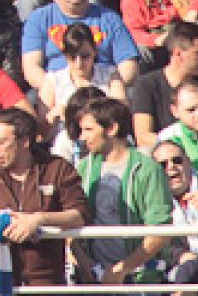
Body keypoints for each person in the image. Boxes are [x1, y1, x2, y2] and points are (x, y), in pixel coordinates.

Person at [0, 107, 91, 287]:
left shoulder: (57, 168)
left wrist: (38, 220)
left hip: (46, 279)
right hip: (0, 277)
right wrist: (9, 221)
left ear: (25, 141)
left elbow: (80, 215)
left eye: (1, 142)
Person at [75, 95, 174, 283]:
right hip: (93, 280)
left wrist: (122, 269)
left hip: (139, 280)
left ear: (112, 128)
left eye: (88, 129)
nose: (82, 137)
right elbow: (72, 221)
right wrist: (84, 262)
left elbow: (160, 230)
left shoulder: (147, 169)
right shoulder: (83, 168)